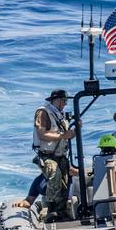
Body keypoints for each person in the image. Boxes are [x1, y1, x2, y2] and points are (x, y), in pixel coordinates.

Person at [32, 88, 79, 220]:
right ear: (56, 100)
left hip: (61, 155)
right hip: (47, 155)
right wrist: (63, 135)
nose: (65, 104)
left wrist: (74, 131)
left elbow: (66, 136)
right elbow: (42, 135)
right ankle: (50, 210)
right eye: (63, 101)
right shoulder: (43, 112)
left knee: (64, 182)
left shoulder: (60, 115)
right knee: (54, 175)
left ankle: (61, 212)